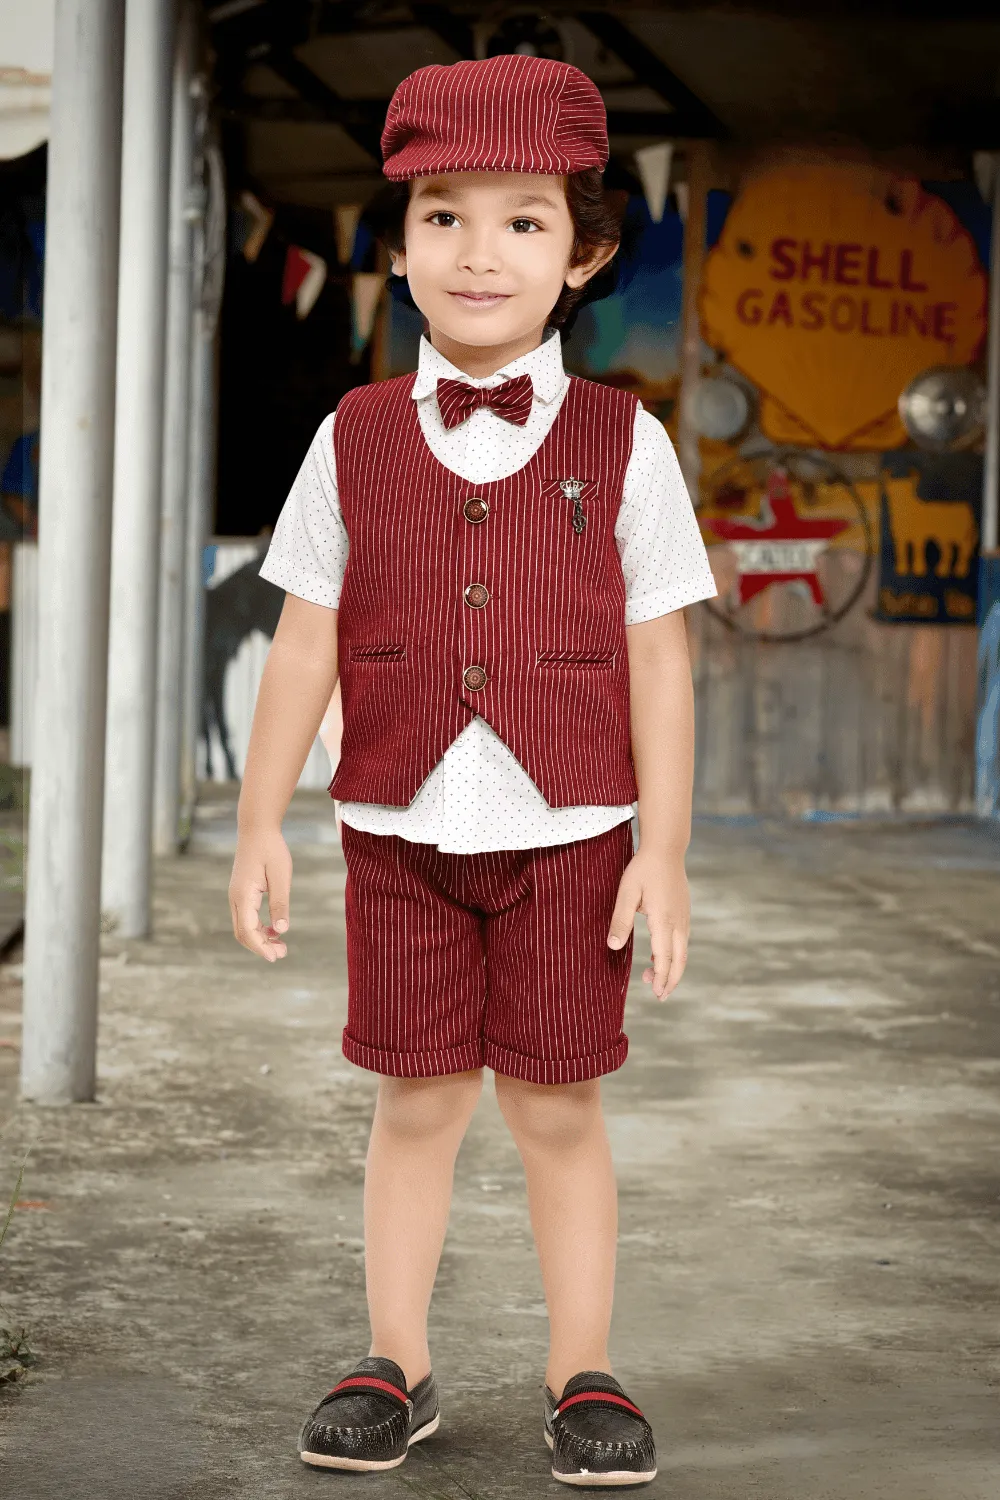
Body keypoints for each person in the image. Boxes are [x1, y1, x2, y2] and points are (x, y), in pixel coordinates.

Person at [229, 53, 717, 1486]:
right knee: (417, 1098)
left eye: (522, 219)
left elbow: (662, 660)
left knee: (558, 1102)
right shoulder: (355, 435)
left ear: (586, 254)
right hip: (397, 827)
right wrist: (262, 816)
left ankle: (583, 1370)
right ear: (400, 244)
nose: (478, 250)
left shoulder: (628, 444)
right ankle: (399, 1359)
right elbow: (304, 636)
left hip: (577, 831)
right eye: (443, 214)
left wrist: (667, 849)